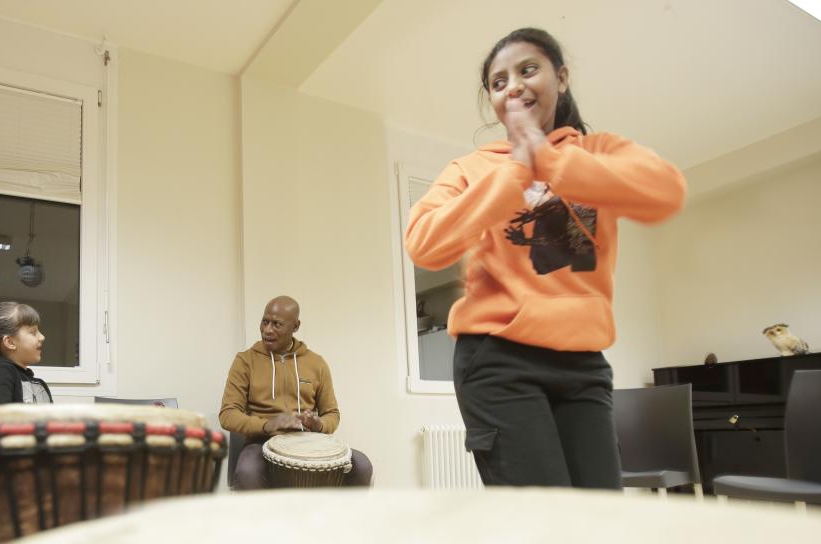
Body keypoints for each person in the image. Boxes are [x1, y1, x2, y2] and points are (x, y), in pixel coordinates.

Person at [404, 28, 686, 489]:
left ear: (562, 76)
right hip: (498, 359)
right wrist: (517, 169)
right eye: (498, 82)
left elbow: (666, 192)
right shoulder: (471, 169)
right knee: (543, 521)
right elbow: (424, 244)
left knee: (598, 511)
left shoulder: (598, 154)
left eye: (527, 70)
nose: (513, 85)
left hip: (584, 363)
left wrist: (548, 161)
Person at [219, 296, 372, 489]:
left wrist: (319, 424)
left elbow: (332, 414)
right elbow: (228, 414)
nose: (267, 330)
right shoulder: (245, 361)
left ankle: (340, 518)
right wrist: (268, 424)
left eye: (277, 324)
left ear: (295, 326)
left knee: (362, 465)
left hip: (308, 441)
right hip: (261, 441)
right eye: (265, 322)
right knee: (248, 472)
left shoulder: (316, 363)